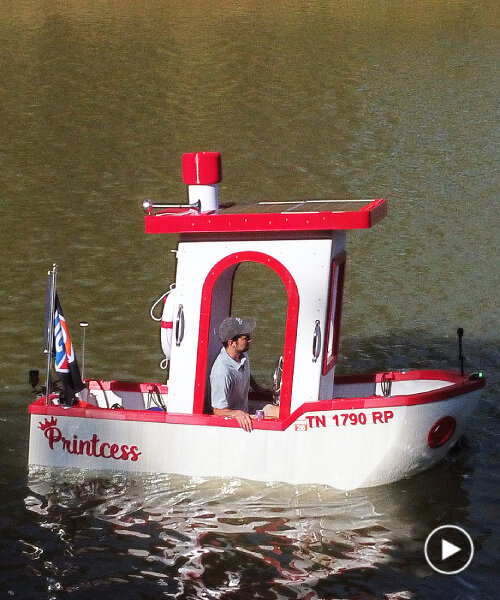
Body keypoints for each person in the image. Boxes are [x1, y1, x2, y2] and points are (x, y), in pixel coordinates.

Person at [210, 316, 279, 432]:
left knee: (282, 412)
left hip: (246, 406)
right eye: (245, 338)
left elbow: (246, 373)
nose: (250, 340)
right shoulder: (221, 372)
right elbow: (217, 411)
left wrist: (259, 389)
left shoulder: (242, 356)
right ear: (232, 343)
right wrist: (236, 413)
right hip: (236, 416)